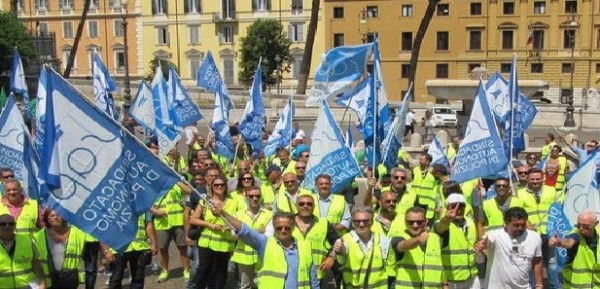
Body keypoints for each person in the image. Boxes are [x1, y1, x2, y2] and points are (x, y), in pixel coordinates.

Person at [214, 208, 320, 289]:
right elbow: (245, 230)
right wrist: (223, 213)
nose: (283, 230)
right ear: (274, 227)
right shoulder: (265, 243)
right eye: (279, 228)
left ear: (292, 227)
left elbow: (313, 280)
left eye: (287, 228)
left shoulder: (305, 247)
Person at [190, 177, 244, 289]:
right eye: (216, 185)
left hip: (224, 244)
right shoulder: (205, 201)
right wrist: (210, 225)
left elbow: (240, 220)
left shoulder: (234, 202)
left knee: (221, 272)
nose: (219, 187)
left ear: (225, 187)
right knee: (203, 270)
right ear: (212, 187)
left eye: (222, 185)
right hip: (207, 243)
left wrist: (229, 227)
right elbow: (193, 219)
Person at [475, 207, 543, 289]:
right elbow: (487, 241)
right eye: (516, 225)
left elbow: (537, 261)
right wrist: (483, 244)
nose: (520, 228)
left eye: (523, 225)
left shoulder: (534, 237)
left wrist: (539, 285)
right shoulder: (496, 235)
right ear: (506, 223)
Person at [516, 168, 559, 288]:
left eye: (538, 179)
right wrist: (528, 225)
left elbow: (558, 209)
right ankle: (532, 286)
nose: (535, 181)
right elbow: (519, 213)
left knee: (551, 263)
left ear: (543, 178)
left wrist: (555, 229)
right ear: (528, 179)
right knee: (530, 263)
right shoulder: (520, 193)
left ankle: (555, 286)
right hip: (530, 234)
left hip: (549, 232)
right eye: (533, 179)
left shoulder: (552, 190)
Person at [333, 207, 390, 289]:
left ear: (372, 222)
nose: (361, 224)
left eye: (365, 221)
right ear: (352, 223)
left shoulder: (383, 240)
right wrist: (340, 250)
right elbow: (342, 256)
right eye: (357, 221)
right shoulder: (345, 239)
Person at [230, 186, 273, 289]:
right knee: (245, 286)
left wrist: (244, 233)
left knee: (263, 285)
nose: (255, 198)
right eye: (251, 196)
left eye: (257, 196)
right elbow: (234, 236)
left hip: (262, 256)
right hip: (244, 257)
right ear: (246, 197)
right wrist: (257, 232)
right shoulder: (237, 215)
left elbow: (268, 236)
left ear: (261, 197)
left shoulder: (270, 214)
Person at [391, 206, 443, 289]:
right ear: (405, 222)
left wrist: (445, 285)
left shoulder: (436, 239)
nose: (415, 225)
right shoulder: (398, 238)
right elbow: (403, 245)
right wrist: (418, 240)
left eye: (419, 222)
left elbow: (440, 268)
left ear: (426, 222)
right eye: (410, 222)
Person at [435, 194, 480, 289]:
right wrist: (447, 219)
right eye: (454, 206)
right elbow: (440, 228)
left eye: (461, 206)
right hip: (451, 280)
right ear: (447, 207)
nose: (458, 210)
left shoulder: (470, 222)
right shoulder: (442, 223)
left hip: (471, 277)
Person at [104, 211, 158, 289]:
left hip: (139, 247)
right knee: (116, 278)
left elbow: (148, 225)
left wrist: (154, 244)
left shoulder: (142, 206)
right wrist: (107, 250)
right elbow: (106, 228)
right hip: (119, 248)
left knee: (138, 278)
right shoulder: (115, 206)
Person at [34, 209, 86, 289]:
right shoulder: (38, 236)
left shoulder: (77, 233)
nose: (56, 217)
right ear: (47, 219)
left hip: (70, 280)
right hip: (49, 281)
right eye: (52, 215)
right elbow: (35, 261)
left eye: (58, 215)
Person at [548, 210, 599, 288]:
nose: (581, 229)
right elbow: (569, 242)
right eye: (578, 225)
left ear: (596, 224)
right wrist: (559, 242)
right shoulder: (576, 234)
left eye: (586, 226)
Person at [0, 213, 46, 289]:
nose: (7, 226)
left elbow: (36, 264)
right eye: (3, 224)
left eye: (11, 224)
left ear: (15, 226)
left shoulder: (27, 240)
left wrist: (42, 285)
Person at [412, 153, 439, 221]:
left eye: (421, 159)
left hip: (427, 203)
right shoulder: (415, 170)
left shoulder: (434, 172)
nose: (419, 161)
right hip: (415, 201)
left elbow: (435, 188)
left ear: (427, 161)